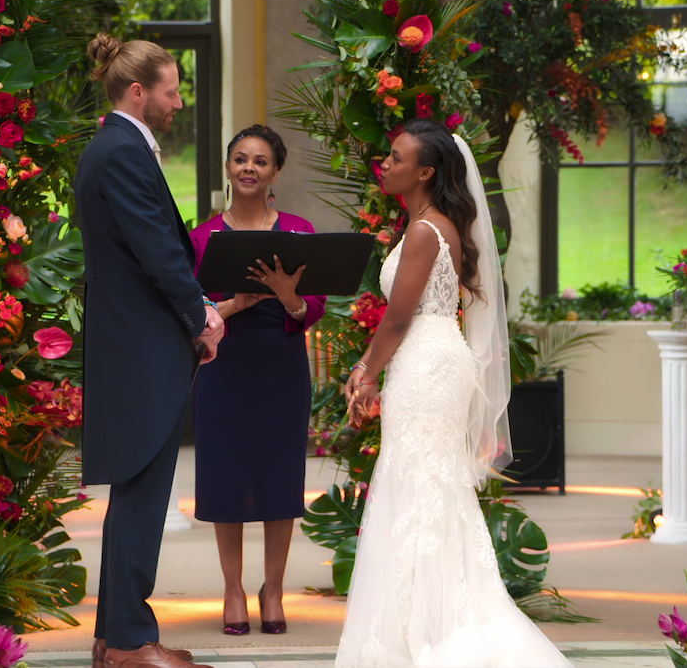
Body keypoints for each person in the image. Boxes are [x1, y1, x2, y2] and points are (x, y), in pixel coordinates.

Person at [336, 119, 573, 667]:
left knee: (419, 483)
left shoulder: (424, 231)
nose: (386, 164)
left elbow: (398, 319)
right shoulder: (430, 223)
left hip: (424, 361)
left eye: (397, 158)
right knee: (423, 485)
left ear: (425, 171)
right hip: (432, 355)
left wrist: (365, 372)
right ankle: (428, 619)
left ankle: (434, 632)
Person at [76, 34, 223, 668]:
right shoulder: (122, 152)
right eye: (171, 90)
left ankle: (117, 636)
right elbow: (157, 250)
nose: (177, 101)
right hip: (142, 345)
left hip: (132, 343)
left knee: (135, 495)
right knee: (141, 496)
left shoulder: (115, 146)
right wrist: (201, 315)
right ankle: (132, 643)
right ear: (139, 92)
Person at [188, 125, 326, 636]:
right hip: (222, 366)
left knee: (278, 476)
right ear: (228, 168)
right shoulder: (203, 236)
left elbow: (312, 308)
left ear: (275, 172)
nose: (249, 167)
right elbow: (189, 310)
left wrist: (287, 295)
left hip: (280, 364)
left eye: (260, 161)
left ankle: (273, 588)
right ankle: (231, 588)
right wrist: (237, 303)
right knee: (225, 475)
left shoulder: (298, 230)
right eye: (240, 159)